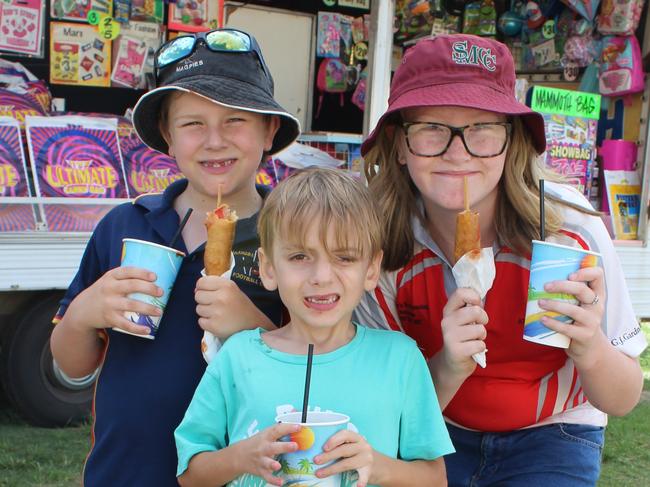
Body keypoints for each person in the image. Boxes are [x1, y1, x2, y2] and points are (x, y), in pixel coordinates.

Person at [354, 33, 647, 486]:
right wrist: (450, 363)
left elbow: (623, 397)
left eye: (482, 129)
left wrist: (590, 348)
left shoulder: (570, 232)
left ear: (512, 142)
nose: (458, 153)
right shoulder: (378, 249)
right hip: (434, 429)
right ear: (398, 144)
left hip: (556, 432)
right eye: (432, 128)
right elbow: (391, 413)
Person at [50, 28, 300, 486]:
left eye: (235, 121)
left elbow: (319, 366)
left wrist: (255, 329)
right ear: (167, 135)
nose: (214, 140)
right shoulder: (124, 226)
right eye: (193, 124)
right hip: (124, 472)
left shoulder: (293, 237)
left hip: (244, 474)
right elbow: (73, 364)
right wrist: (84, 314)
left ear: (269, 130)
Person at [174, 167, 454, 487]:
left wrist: (376, 466)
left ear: (371, 270)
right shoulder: (238, 356)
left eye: (344, 257)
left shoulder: (400, 359)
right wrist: (241, 457)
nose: (321, 276)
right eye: (299, 256)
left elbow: (436, 478)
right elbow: (190, 475)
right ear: (268, 268)